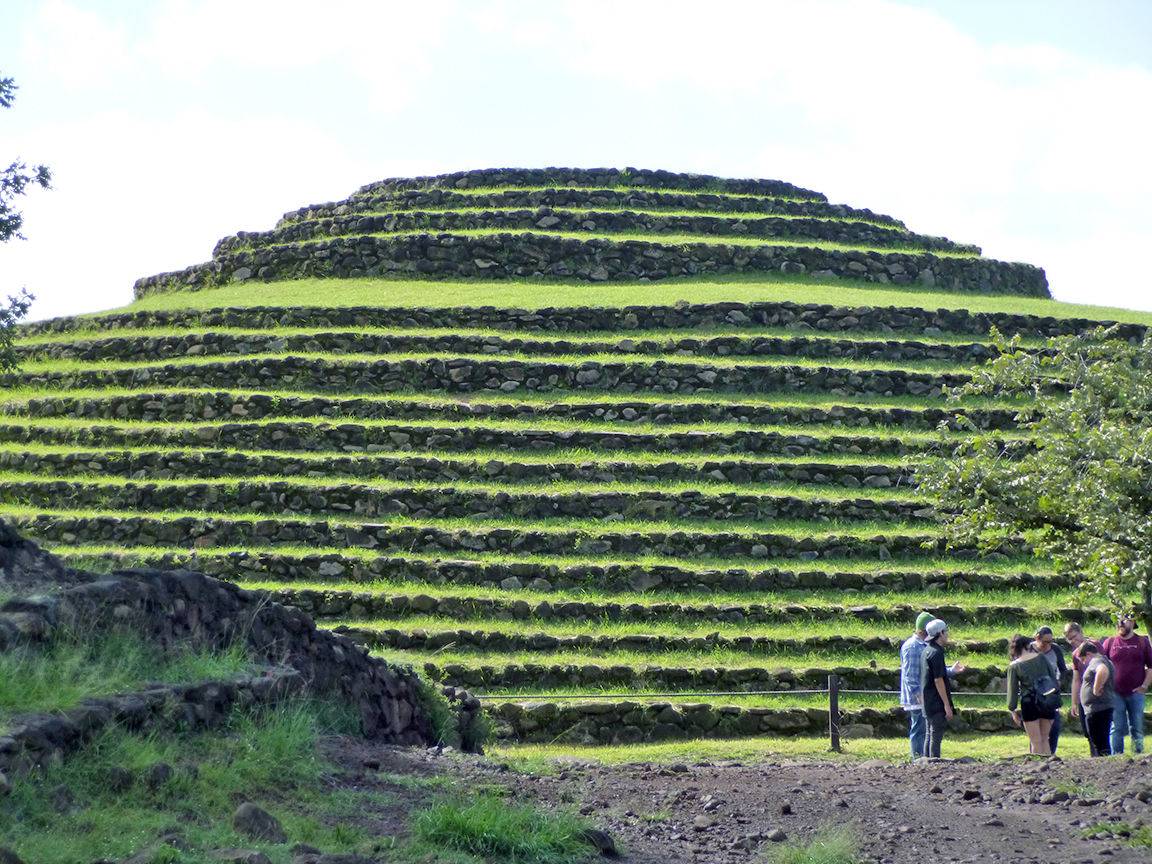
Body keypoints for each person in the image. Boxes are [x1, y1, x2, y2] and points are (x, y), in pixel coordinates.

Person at [1102, 615, 1152, 755]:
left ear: (1133, 622)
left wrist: (1144, 686)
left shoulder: (1142, 642)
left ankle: (1138, 758)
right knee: (1116, 728)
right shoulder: (1110, 642)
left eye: (1124, 621)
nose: (1121, 624)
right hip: (1115, 693)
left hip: (1136, 693)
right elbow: (1102, 664)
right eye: (1119, 621)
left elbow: (1151, 667)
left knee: (1137, 728)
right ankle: (1116, 757)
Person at [1007, 633, 1056, 755]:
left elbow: (1012, 691)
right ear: (1028, 645)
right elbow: (1053, 679)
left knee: (1035, 741)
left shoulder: (1014, 666)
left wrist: (1012, 710)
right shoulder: (1042, 658)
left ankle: (1037, 769)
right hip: (1046, 700)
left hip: (1029, 703)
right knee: (1045, 740)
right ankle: (1049, 768)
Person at [899, 611, 934, 759]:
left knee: (922, 728)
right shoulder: (912, 647)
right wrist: (918, 694)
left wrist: (951, 670)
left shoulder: (922, 645)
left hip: (923, 694)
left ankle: (921, 757)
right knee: (919, 729)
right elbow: (910, 674)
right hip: (917, 697)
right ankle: (917, 758)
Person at [1064, 621, 1102, 753]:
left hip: (1099, 695)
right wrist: (1074, 702)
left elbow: (1104, 667)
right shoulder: (1075, 654)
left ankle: (1103, 756)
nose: (1072, 641)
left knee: (1099, 730)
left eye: (1074, 637)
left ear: (1081, 632)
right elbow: (1076, 679)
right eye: (1069, 639)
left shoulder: (1095, 646)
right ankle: (1094, 756)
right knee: (1088, 732)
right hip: (1084, 696)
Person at [1031, 625, 1069, 753]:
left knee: (1054, 727)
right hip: (1034, 694)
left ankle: (1050, 755)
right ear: (1037, 638)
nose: (1048, 645)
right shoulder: (1028, 649)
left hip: (1051, 694)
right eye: (1045, 642)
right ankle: (1035, 756)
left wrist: (1059, 682)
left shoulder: (1055, 650)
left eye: (1050, 642)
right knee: (1035, 731)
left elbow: (1063, 669)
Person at [1074, 640, 1115, 757]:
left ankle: (1101, 767)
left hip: (1097, 709)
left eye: (1082, 659)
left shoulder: (1097, 661)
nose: (1083, 663)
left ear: (1088, 654)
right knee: (1101, 742)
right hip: (1101, 707)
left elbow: (1102, 670)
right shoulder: (1106, 660)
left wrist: (1097, 688)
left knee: (1098, 743)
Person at [921, 618, 955, 758]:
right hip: (936, 701)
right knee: (936, 734)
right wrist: (947, 705)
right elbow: (938, 679)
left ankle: (926, 762)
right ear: (940, 633)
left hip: (927, 700)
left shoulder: (927, 650)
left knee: (930, 734)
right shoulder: (937, 653)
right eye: (946, 631)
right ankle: (934, 763)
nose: (947, 634)